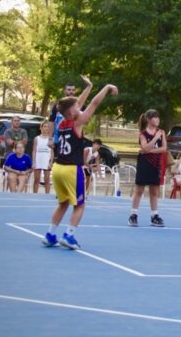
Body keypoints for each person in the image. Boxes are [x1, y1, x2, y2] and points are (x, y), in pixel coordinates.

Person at [41, 82, 119, 250]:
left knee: (63, 203)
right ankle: (69, 235)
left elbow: (77, 105)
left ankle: (50, 234)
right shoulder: (77, 122)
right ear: (72, 111)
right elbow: (93, 104)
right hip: (71, 169)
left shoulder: (62, 123)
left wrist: (89, 87)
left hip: (58, 168)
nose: (80, 106)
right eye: (77, 106)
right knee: (80, 205)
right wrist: (105, 88)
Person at [128, 109, 166, 227]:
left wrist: (150, 150)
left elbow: (164, 149)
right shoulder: (143, 134)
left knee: (154, 191)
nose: (157, 119)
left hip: (155, 164)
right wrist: (155, 138)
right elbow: (144, 148)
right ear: (149, 120)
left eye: (158, 117)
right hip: (144, 163)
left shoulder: (162, 132)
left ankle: (154, 215)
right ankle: (133, 215)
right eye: (155, 117)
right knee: (139, 190)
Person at [49, 76, 93, 148]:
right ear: (65, 91)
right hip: (58, 139)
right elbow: (51, 122)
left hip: (74, 138)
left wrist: (89, 86)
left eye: (73, 90)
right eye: (69, 89)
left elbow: (86, 121)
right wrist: (50, 138)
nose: (71, 92)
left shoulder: (78, 105)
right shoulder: (58, 105)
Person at [32, 121, 54, 194]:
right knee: (36, 179)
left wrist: (51, 162)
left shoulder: (51, 139)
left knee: (47, 180)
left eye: (48, 127)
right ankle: (35, 194)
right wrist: (34, 162)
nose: (46, 128)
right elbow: (34, 150)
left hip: (46, 161)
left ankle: (47, 195)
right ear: (41, 128)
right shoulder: (36, 138)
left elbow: (52, 151)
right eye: (44, 126)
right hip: (38, 160)